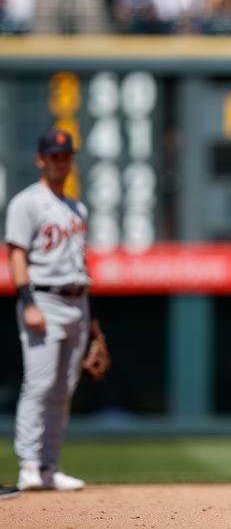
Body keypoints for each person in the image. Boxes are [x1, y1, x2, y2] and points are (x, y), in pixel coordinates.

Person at [5, 129, 108, 491]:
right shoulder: (26, 202)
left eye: (66, 156)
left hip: (78, 301)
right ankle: (29, 465)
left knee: (63, 388)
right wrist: (27, 301)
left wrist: (93, 323)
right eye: (54, 156)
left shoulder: (76, 207)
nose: (61, 162)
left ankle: (49, 467)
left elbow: (82, 263)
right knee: (40, 384)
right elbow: (16, 253)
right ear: (41, 159)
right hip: (44, 299)